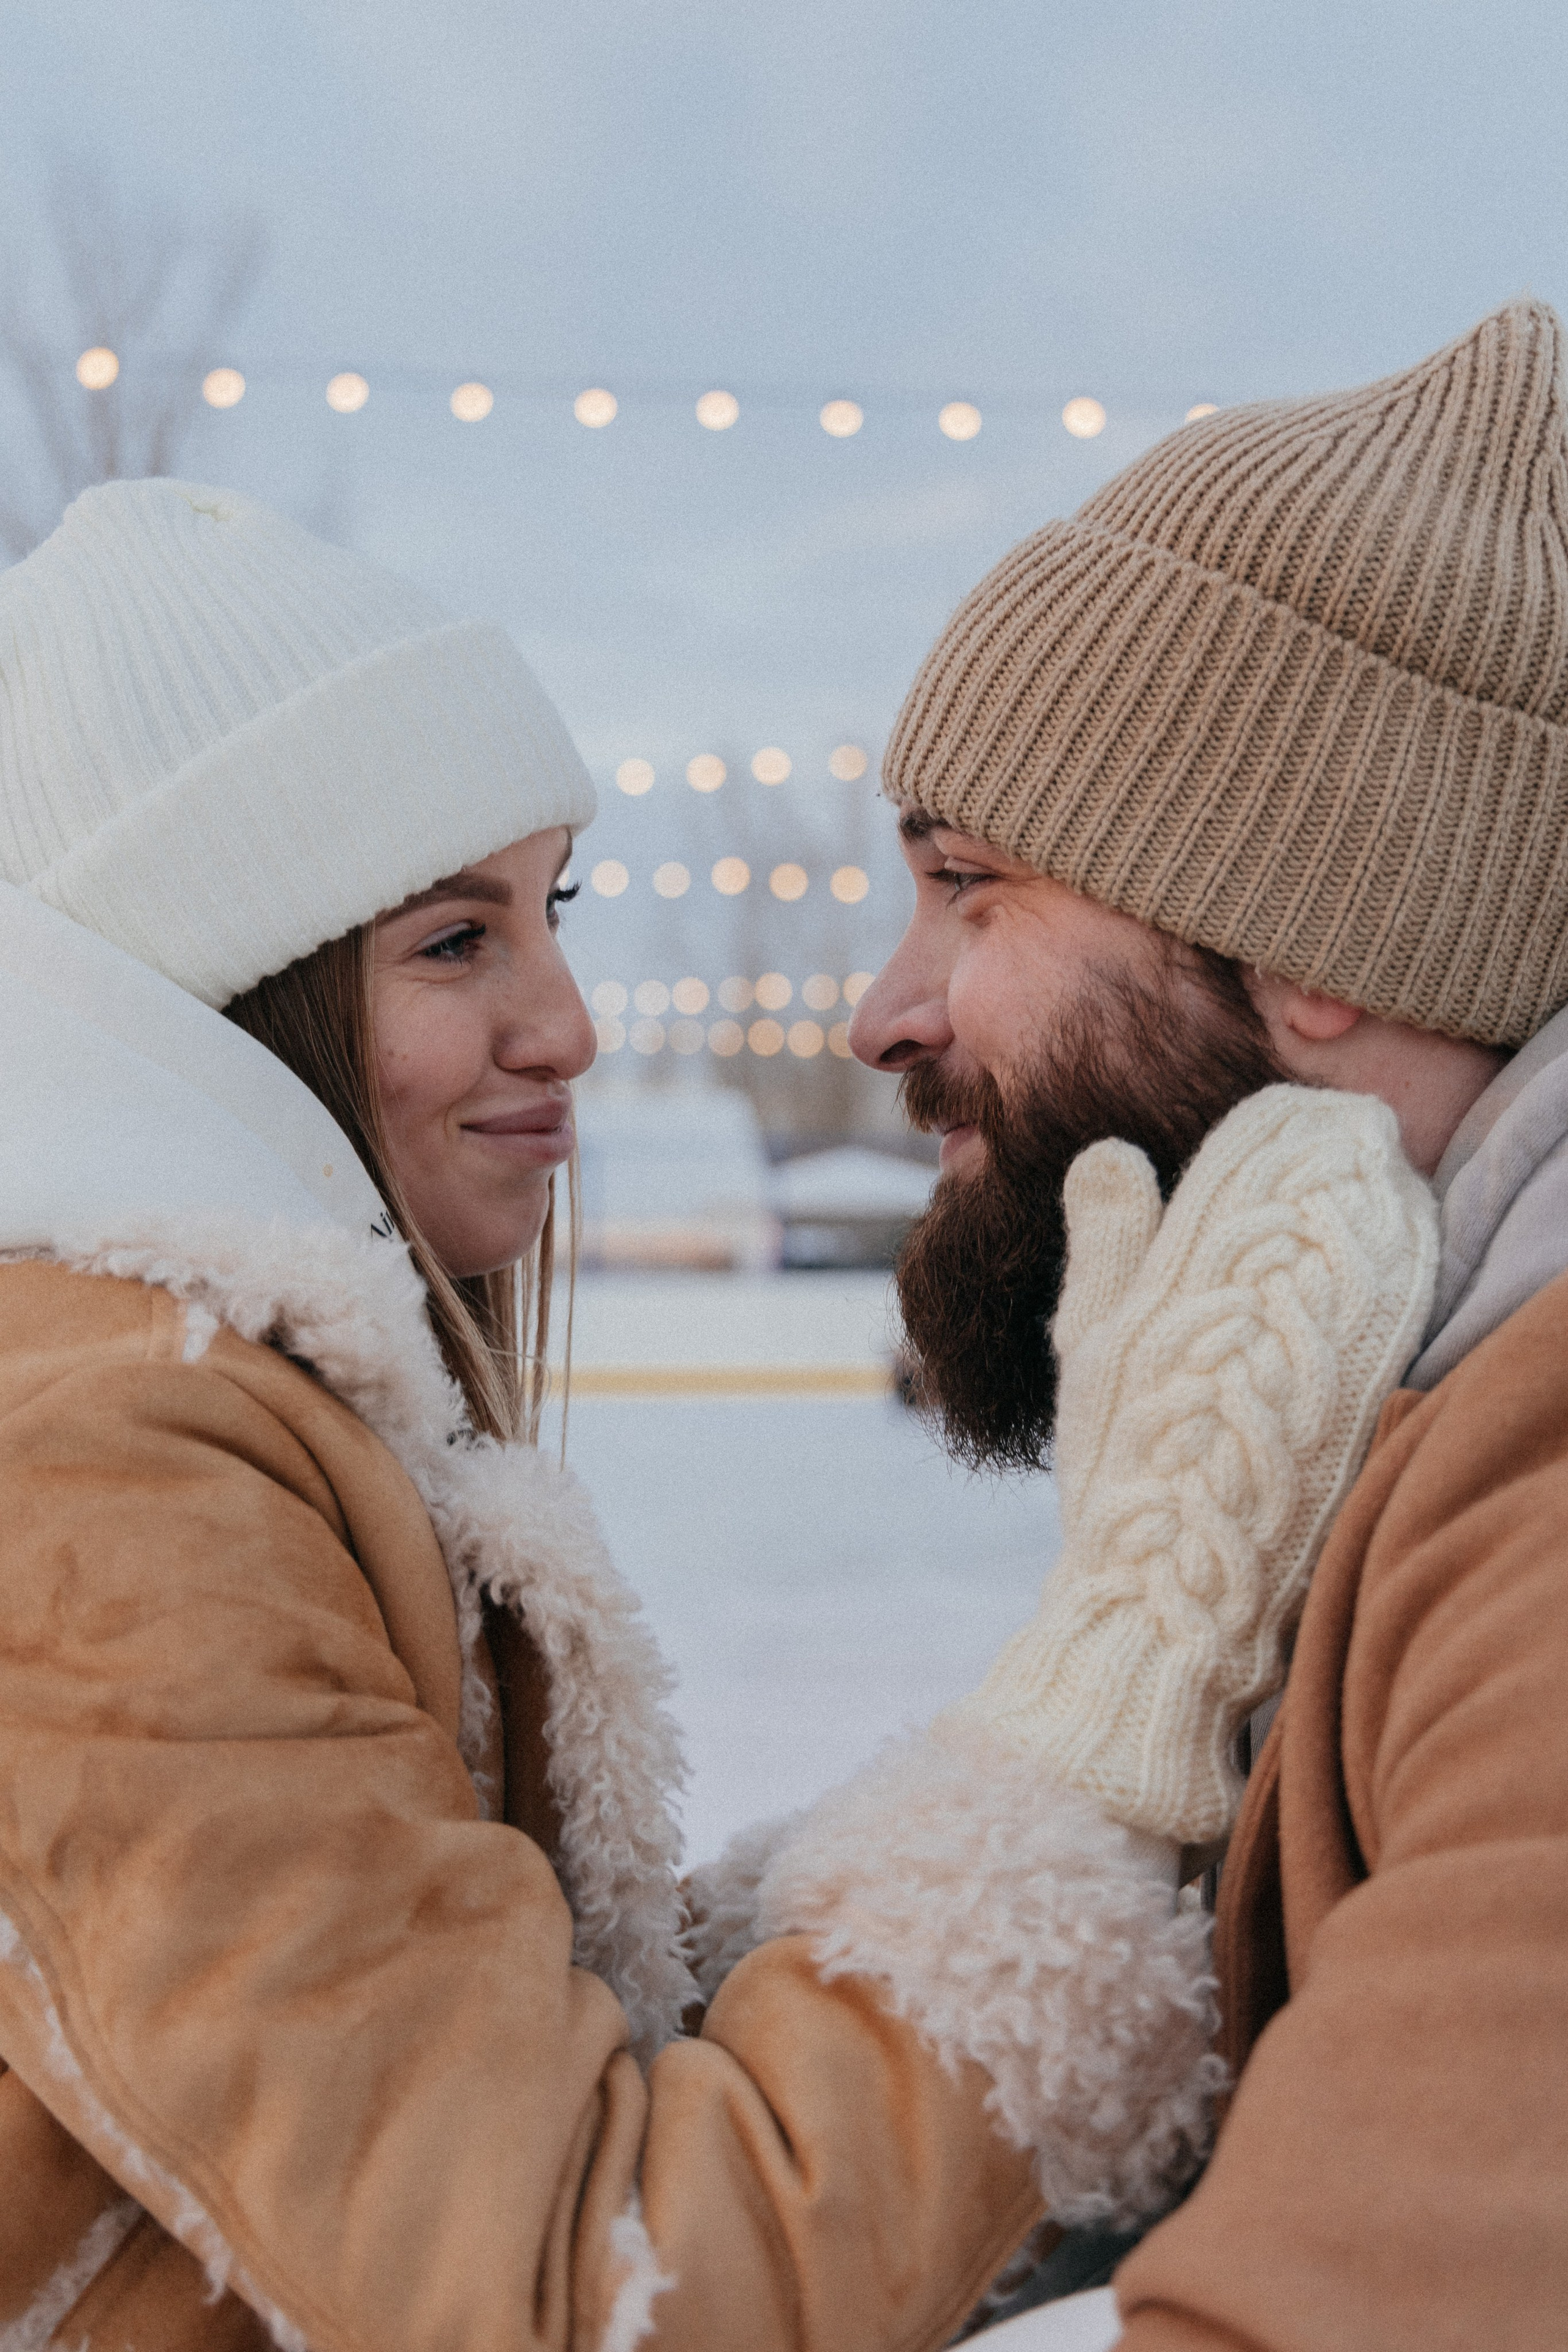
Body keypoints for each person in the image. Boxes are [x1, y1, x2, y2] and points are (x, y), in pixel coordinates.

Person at [0, 478, 1249, 2351]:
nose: (569, 1020)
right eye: (453, 941)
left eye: (548, 910)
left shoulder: (230, 1403)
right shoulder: (112, 1469)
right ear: (224, 1006)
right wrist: (1093, 1723)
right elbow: (587, 2290)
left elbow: (501, 2054)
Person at [827, 296, 1568, 2343]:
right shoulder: (1398, 1404)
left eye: (973, 889)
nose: (881, 1011)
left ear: (1318, 935)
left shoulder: (1545, 1488)